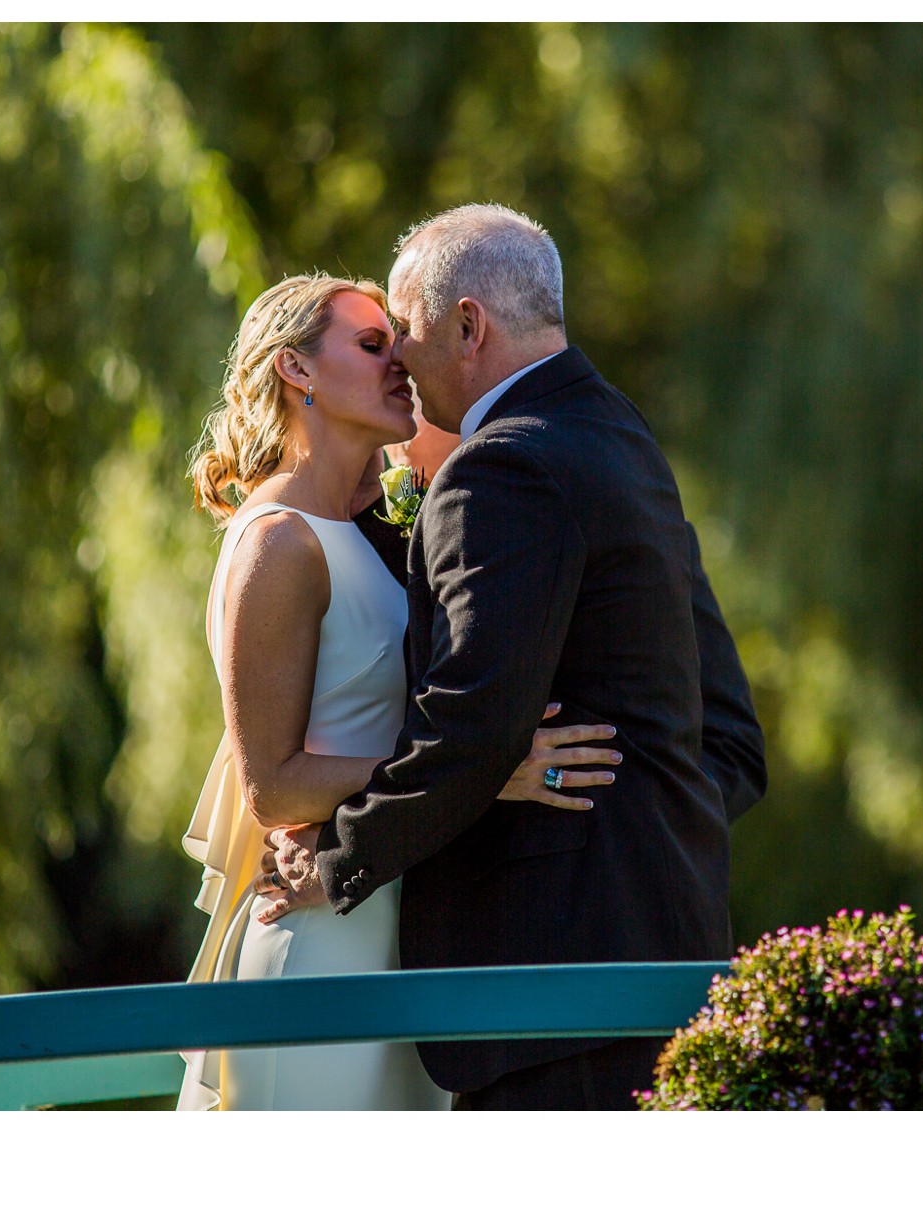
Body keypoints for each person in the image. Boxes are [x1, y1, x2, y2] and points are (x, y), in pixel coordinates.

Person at [264, 204, 766, 1110]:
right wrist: (642, 837)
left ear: (467, 326)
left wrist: (338, 861)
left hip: (545, 986)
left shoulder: (500, 470)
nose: (404, 365)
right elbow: (729, 737)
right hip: (678, 962)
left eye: (406, 335)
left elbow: (476, 728)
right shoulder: (624, 441)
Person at [176, 272, 621, 1110]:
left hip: (408, 929)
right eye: (372, 345)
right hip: (322, 939)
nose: (401, 366)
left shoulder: (381, 530)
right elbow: (273, 785)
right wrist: (484, 767)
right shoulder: (279, 544)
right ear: (296, 372)